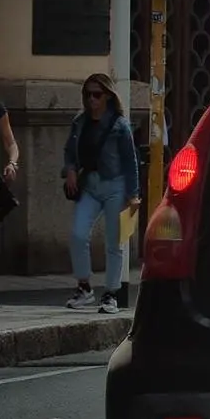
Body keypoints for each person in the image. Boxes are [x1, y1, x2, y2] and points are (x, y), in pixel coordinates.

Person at [61, 74, 141, 315]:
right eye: (88, 94)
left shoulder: (119, 125)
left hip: (115, 185)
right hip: (90, 185)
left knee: (114, 242)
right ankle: (84, 287)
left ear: (107, 96)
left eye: (97, 94)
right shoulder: (80, 122)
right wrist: (71, 170)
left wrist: (133, 194)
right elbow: (69, 151)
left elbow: (130, 161)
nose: (92, 100)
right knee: (77, 234)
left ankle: (111, 294)